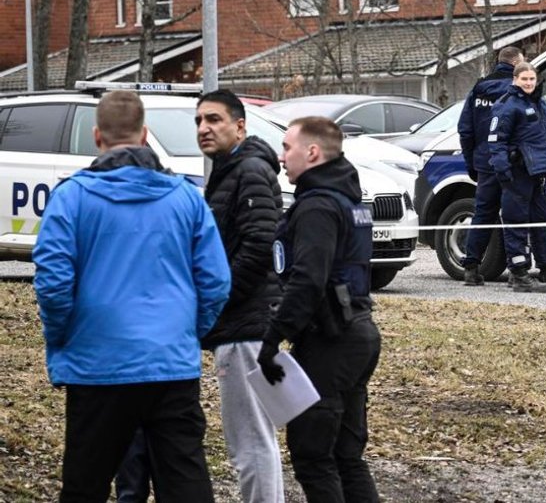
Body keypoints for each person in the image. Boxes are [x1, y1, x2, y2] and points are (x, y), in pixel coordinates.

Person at [32, 90, 230, 503]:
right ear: (144, 135)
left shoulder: (71, 198)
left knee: (85, 484)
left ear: (95, 136)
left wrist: (64, 335)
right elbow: (215, 281)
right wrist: (186, 331)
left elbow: (52, 282)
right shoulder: (185, 198)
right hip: (170, 365)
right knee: (186, 483)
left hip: (98, 364)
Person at [260, 116, 382, 503]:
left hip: (331, 341)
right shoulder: (349, 199)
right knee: (346, 457)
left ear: (312, 152)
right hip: (358, 334)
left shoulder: (317, 207)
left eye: (287, 148)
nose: (282, 158)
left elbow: (308, 280)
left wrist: (272, 338)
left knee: (314, 456)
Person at [196, 89, 287, 503]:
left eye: (214, 119)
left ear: (239, 126)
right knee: (254, 438)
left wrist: (216, 301)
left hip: (243, 325)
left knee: (250, 442)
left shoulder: (247, 170)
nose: (204, 129)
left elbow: (257, 246)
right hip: (240, 323)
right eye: (199, 121)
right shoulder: (230, 170)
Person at [488, 61, 546, 292]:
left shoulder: (539, 103)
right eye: (524, 79)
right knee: (516, 223)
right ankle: (518, 274)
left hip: (538, 172)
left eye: (531, 79)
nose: (528, 83)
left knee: (541, 221)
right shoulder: (506, 105)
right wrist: (504, 172)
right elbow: (496, 143)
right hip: (517, 173)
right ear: (515, 80)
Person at [457, 46, 525, 285]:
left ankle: (471, 268)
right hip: (512, 163)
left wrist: (472, 163)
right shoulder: (518, 89)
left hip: (485, 163)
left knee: (483, 214)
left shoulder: (478, 89)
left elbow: (465, 129)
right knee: (514, 216)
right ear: (516, 62)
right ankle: (517, 271)